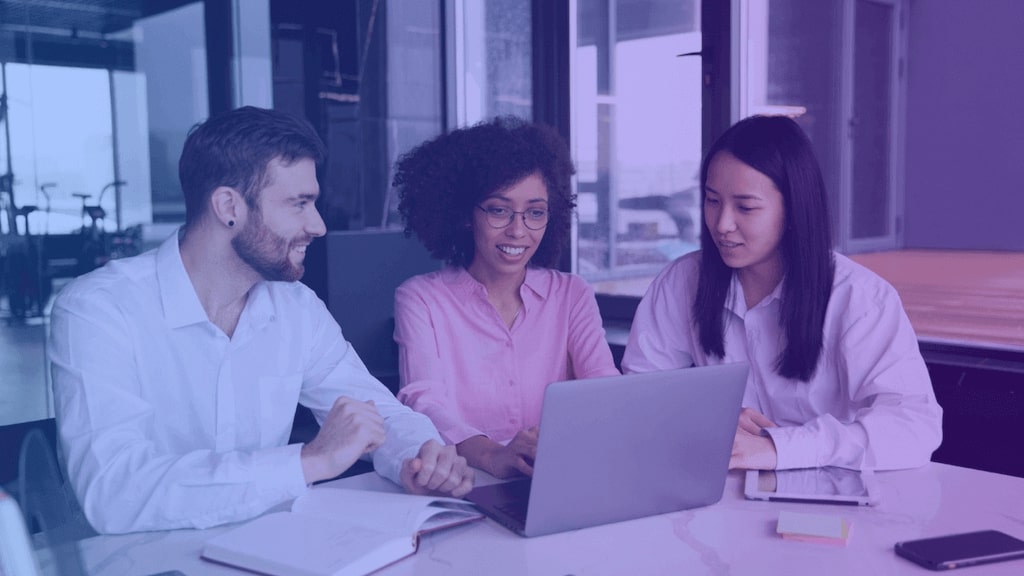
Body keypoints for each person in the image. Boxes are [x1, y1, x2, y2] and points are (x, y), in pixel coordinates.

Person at [49, 106, 472, 535]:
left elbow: (374, 411)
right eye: (299, 204)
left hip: (265, 552)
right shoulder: (98, 310)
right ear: (229, 206)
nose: (319, 225)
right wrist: (308, 461)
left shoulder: (297, 309)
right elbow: (114, 491)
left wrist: (421, 455)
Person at [622, 115, 942, 472]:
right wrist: (706, 417)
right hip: (718, 495)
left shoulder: (860, 298)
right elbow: (639, 398)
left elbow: (914, 426)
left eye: (745, 207)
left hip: (833, 499)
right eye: (712, 201)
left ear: (792, 209)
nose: (722, 224)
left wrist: (780, 449)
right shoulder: (682, 282)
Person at [391, 116, 619, 479]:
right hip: (463, 478)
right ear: (466, 214)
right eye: (499, 210)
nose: (518, 230)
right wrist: (495, 456)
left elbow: (606, 388)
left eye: (535, 213)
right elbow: (424, 404)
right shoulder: (421, 299)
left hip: (558, 476)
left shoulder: (571, 295)